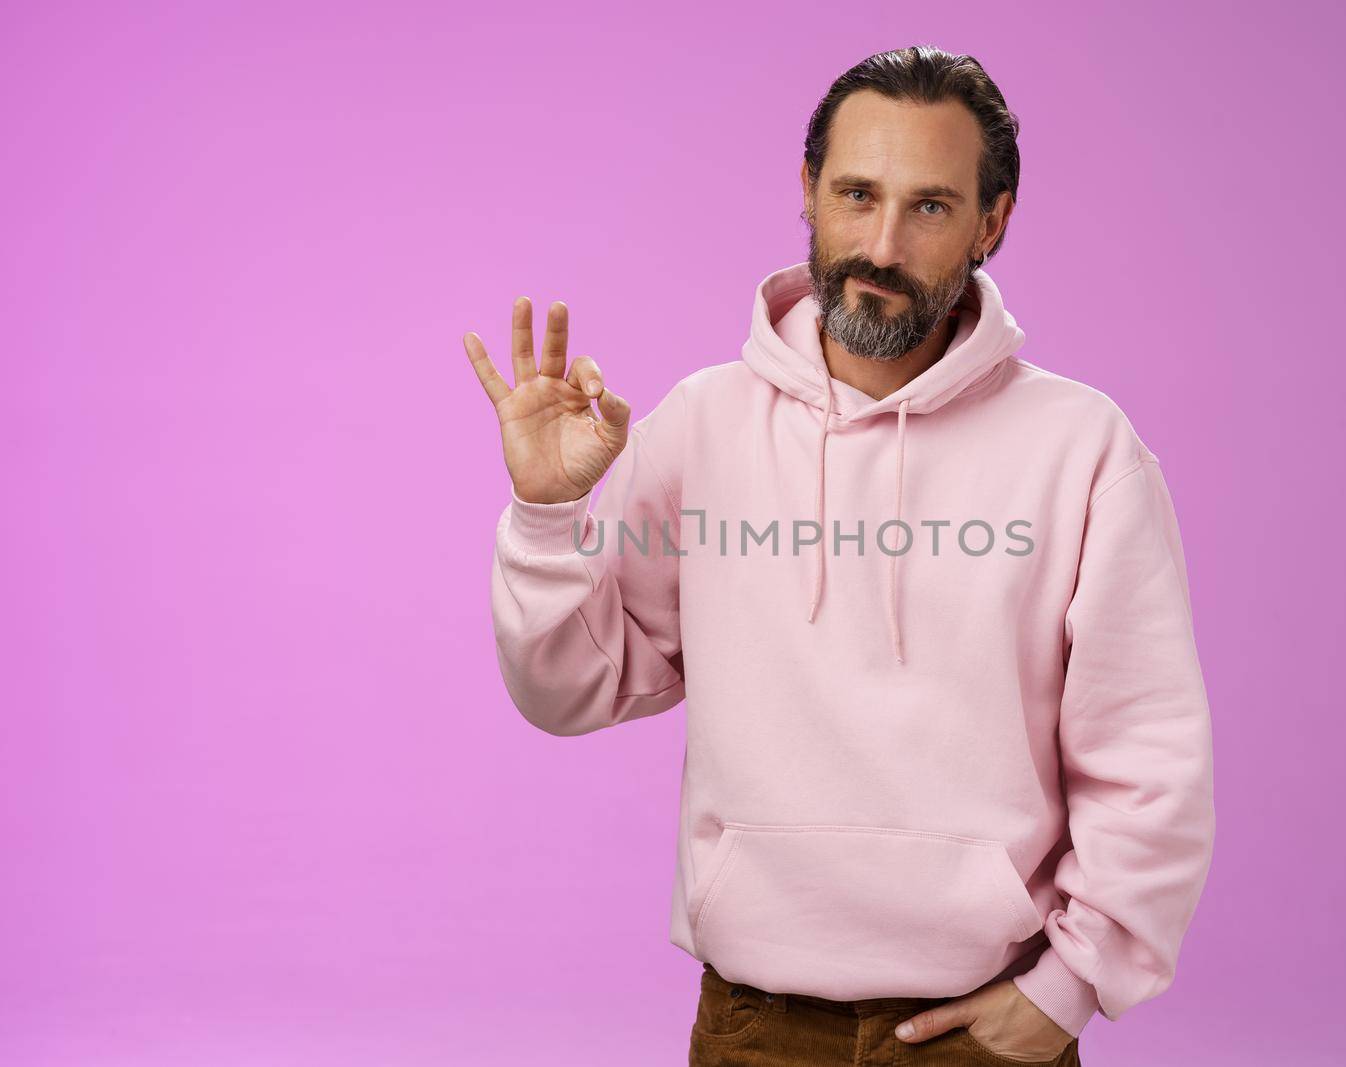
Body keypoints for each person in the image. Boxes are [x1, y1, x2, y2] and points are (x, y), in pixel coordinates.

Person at [463, 45, 1215, 1067]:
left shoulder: (1081, 449)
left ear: (991, 222)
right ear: (807, 193)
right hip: (754, 1023)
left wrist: (1072, 984)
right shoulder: (700, 426)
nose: (883, 242)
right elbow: (565, 691)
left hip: (985, 1031)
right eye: (856, 193)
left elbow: (1147, 750)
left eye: (931, 206)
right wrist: (547, 514)